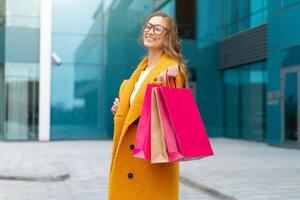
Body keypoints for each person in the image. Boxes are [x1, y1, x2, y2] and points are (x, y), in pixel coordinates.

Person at [108, 11, 188, 200]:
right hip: (128, 161)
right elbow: (134, 115)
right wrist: (120, 111)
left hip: (151, 166)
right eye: (148, 26)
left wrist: (173, 77)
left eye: (157, 28)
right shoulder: (141, 70)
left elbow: (173, 118)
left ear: (168, 35)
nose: (150, 31)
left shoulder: (172, 70)